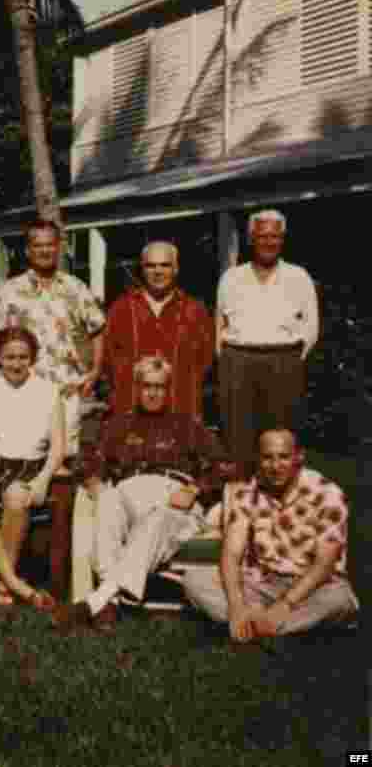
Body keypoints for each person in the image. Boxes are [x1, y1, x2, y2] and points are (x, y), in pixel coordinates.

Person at [53, 356, 234, 632]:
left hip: (175, 499)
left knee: (159, 518)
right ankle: (109, 598)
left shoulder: (187, 425)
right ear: (137, 387)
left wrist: (195, 488)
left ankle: (101, 602)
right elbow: (87, 461)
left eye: (159, 387)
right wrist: (93, 481)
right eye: (147, 385)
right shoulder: (117, 425)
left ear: (168, 389)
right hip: (129, 491)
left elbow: (225, 467)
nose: (153, 392)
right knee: (108, 499)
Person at [0, 220, 105, 598]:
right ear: (27, 250)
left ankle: (61, 565)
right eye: (37, 246)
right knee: (27, 470)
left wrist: (94, 370)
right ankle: (18, 560)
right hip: (24, 393)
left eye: (50, 246)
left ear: (59, 248)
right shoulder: (10, 291)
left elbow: (96, 328)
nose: (45, 251)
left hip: (66, 393)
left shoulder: (74, 288)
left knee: (61, 476)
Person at [183, 429, 357, 640]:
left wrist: (285, 605)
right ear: (258, 458)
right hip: (260, 584)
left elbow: (324, 565)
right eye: (268, 458)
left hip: (310, 587)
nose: (275, 466)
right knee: (194, 580)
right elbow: (231, 555)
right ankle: (262, 622)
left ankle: (255, 625)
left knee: (337, 599)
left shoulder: (327, 494)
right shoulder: (247, 492)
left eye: (284, 457)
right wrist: (237, 605)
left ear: (299, 457)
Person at [0, 327, 64, 609]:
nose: (16, 363)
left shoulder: (49, 392)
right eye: (9, 357)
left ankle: (4, 582)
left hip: (30, 468)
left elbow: (58, 448)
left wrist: (43, 479)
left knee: (16, 498)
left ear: (32, 358)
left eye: (23, 357)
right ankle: (14, 581)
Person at [216, 209, 318, 470]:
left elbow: (311, 328)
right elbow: (219, 325)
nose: (268, 242)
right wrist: (230, 360)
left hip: (284, 361)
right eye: (262, 236)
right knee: (238, 434)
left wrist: (290, 360)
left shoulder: (299, 277)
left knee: (280, 437)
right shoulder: (231, 277)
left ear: (283, 239)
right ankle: (241, 494)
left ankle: (280, 499)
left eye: (275, 236)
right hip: (238, 361)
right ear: (251, 238)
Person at [103, 241, 214, 420]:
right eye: (150, 266)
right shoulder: (121, 309)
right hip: (131, 413)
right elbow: (107, 361)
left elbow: (206, 362)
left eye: (165, 265)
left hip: (181, 411)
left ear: (176, 269)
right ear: (142, 269)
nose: (157, 271)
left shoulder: (195, 311)